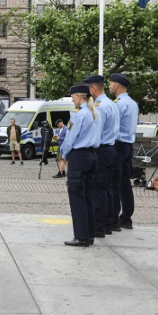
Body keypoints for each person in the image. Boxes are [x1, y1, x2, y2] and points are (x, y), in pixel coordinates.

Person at [59, 84, 101, 247]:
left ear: (78, 96)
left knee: (77, 198)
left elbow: (70, 138)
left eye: (73, 97)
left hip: (79, 156)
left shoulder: (78, 115)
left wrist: (64, 154)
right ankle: (89, 235)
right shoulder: (95, 113)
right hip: (92, 155)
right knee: (89, 197)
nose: (72, 100)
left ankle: (81, 236)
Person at [84, 75, 118, 238]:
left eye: (87, 89)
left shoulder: (100, 106)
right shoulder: (110, 103)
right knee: (107, 188)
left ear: (93, 89)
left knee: (98, 189)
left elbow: (96, 130)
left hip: (102, 150)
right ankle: (108, 223)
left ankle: (99, 226)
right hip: (111, 148)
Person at [110, 73, 139, 230]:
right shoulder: (133, 103)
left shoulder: (119, 104)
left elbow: (112, 126)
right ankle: (126, 217)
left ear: (117, 86)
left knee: (115, 182)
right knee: (124, 183)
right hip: (128, 145)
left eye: (111, 84)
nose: (109, 86)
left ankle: (114, 218)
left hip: (119, 145)